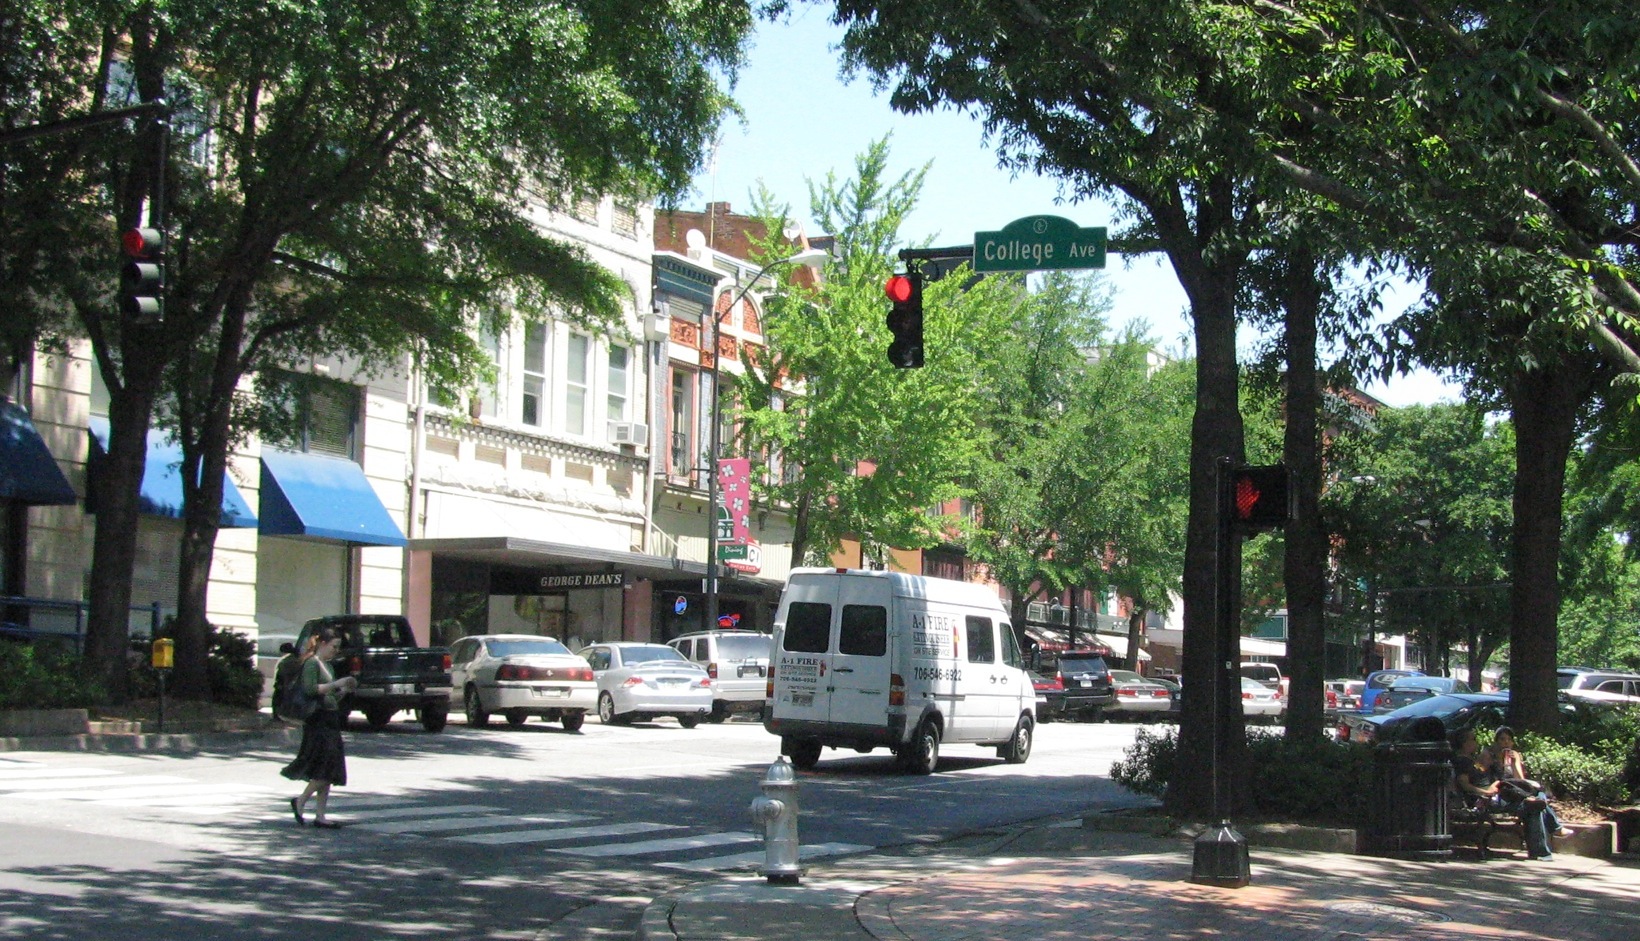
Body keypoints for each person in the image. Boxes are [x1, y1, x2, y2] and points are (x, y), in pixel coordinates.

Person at [281, 626, 357, 829]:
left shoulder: (328, 666)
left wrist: (343, 690)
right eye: (333, 646)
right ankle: (301, 800)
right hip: (318, 720)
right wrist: (337, 684)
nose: (335, 650)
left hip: (331, 718)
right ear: (322, 644)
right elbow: (310, 689)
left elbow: (330, 694)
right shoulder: (311, 664)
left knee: (330, 767)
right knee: (325, 766)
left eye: (338, 647)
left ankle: (320, 815)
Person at [1451, 727, 1558, 860]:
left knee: (1534, 804)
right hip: (1486, 799)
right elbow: (1466, 785)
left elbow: (1480, 771)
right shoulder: (1462, 761)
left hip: (1498, 794)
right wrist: (1488, 791)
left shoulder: (1471, 760)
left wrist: (1491, 764)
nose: (1476, 743)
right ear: (1464, 743)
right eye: (1473, 739)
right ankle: (1544, 845)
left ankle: (1541, 850)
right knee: (1534, 803)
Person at [1486, 726, 1573, 839]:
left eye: (1509, 739)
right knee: (1537, 801)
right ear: (1496, 742)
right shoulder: (1489, 756)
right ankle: (1556, 828)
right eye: (1502, 739)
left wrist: (1513, 763)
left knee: (1539, 797)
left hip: (1516, 790)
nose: (1506, 742)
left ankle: (1555, 829)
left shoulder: (1514, 755)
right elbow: (1481, 773)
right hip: (1501, 792)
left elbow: (1520, 780)